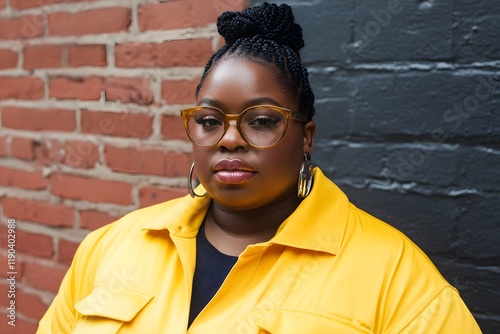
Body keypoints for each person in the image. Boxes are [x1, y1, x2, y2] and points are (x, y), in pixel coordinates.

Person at [37, 3, 481, 333]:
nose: (229, 138)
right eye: (210, 121)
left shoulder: (398, 280)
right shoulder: (109, 247)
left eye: (262, 120)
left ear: (306, 138)